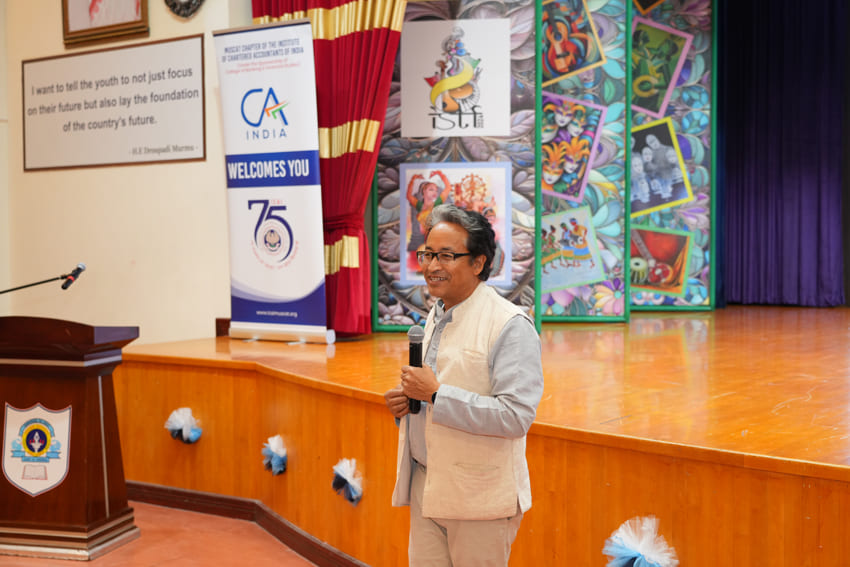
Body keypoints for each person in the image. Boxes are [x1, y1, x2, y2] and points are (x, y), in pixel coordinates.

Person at [384, 204, 544, 566]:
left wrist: (436, 394)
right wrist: (407, 404)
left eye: (446, 255)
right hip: (428, 485)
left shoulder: (509, 325)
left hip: (479, 498)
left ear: (478, 262)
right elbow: (439, 389)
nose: (432, 266)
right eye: (427, 254)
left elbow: (515, 417)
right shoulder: (436, 314)